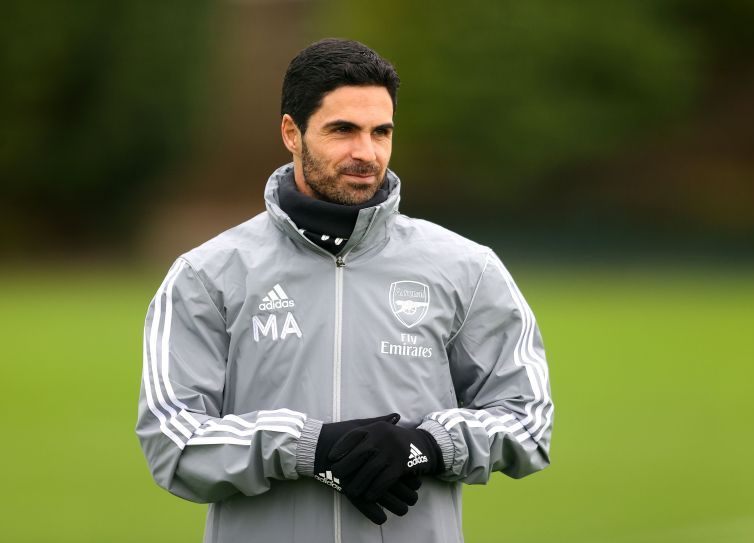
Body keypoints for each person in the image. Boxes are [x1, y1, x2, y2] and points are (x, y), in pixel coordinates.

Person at [136, 38, 553, 543]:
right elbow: (173, 439)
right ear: (292, 133)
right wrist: (308, 448)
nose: (366, 152)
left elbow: (527, 420)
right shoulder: (206, 275)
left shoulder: (467, 268)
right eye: (343, 130)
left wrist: (427, 444)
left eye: (381, 132)